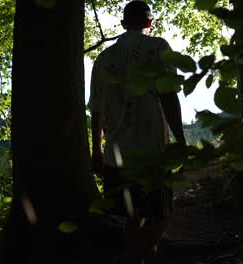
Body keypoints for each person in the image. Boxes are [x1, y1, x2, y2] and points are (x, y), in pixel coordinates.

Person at [88, 1, 185, 263]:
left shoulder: (103, 58)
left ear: (122, 25)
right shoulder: (158, 47)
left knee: (131, 216)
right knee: (161, 214)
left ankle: (137, 255)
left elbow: (95, 110)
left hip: (116, 155)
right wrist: (181, 140)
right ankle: (134, 257)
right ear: (149, 23)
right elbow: (169, 97)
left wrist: (96, 152)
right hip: (152, 151)